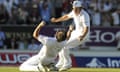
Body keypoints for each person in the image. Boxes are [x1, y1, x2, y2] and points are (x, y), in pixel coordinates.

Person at [51, 0, 90, 71]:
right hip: (76, 32)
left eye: (76, 9)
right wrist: (56, 20)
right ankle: (61, 63)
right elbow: (66, 17)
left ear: (80, 8)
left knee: (64, 45)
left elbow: (86, 28)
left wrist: (83, 36)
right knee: (61, 43)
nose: (74, 10)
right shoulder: (74, 12)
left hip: (83, 35)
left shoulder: (85, 15)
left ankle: (68, 64)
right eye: (73, 8)